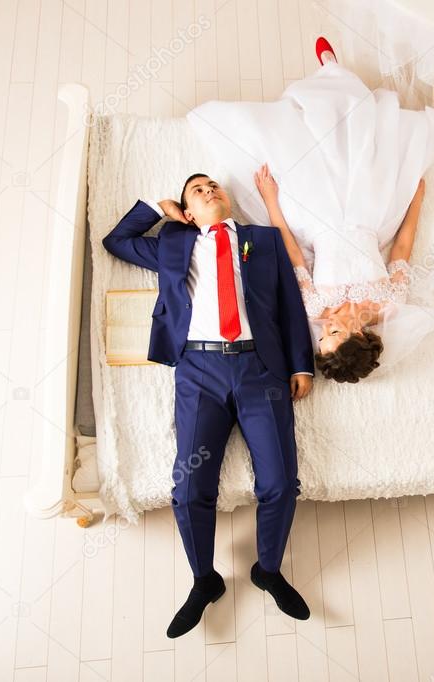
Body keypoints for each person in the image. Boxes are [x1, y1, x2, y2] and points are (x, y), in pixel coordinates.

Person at [102, 171, 314, 639]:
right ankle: (204, 580)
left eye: (213, 186)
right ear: (188, 210)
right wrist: (160, 210)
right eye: (196, 191)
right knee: (189, 487)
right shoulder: (174, 246)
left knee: (281, 482)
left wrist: (302, 364)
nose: (208, 191)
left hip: (262, 369)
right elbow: (115, 240)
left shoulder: (262, 241)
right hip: (199, 372)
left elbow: (289, 302)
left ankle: (269, 570)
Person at [186, 37, 434, 383]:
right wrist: (415, 197)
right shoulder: (389, 301)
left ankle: (315, 94)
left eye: (322, 339)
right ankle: (333, 69)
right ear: (358, 335)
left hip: (314, 219)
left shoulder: (315, 308)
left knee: (300, 151)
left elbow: (294, 253)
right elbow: (402, 247)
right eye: (333, 336)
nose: (324, 331)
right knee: (358, 146)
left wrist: (270, 200)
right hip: (367, 213)